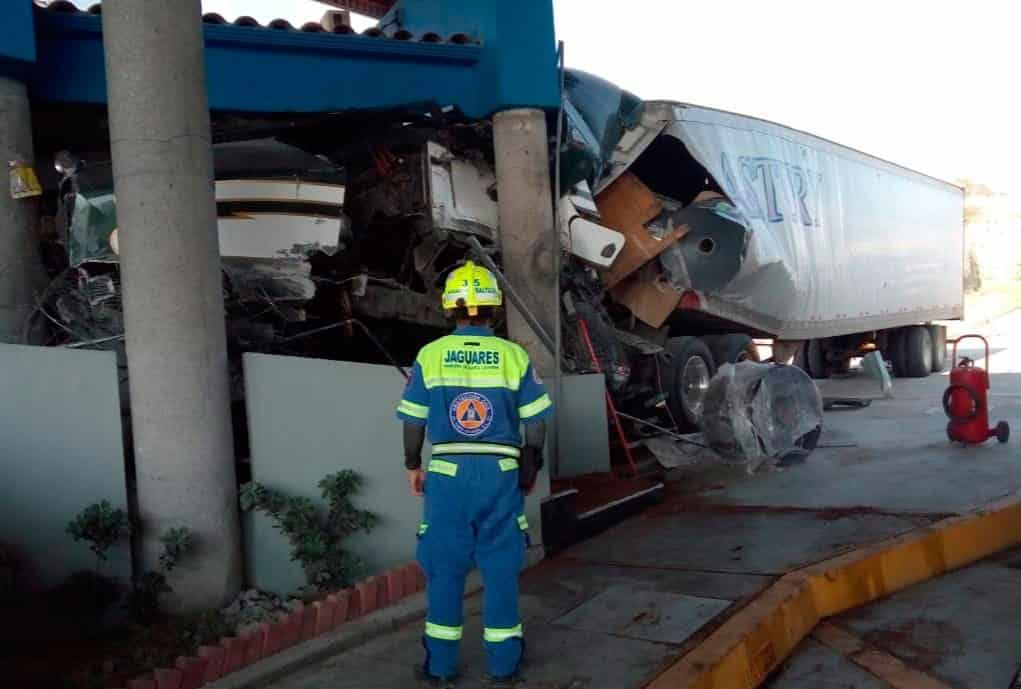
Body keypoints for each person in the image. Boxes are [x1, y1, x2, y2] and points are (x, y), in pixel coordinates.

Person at [396, 260, 553, 687]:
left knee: (444, 572)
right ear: (494, 308)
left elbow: (414, 420)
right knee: (501, 571)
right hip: (501, 471)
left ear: (449, 308)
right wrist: (529, 468)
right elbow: (535, 424)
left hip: (447, 472)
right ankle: (504, 666)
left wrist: (413, 465)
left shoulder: (430, 355)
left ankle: (441, 667)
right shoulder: (513, 356)